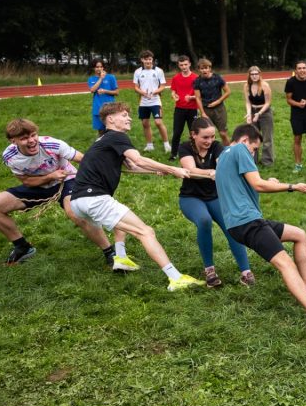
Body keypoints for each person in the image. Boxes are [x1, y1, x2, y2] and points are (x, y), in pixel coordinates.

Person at [216, 123, 306, 330]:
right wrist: (292, 187)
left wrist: (268, 180)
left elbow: (245, 184)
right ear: (244, 141)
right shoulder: (240, 149)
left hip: (240, 222)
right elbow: (258, 185)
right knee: (285, 263)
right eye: (254, 148)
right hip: (247, 221)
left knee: (299, 235)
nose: (253, 153)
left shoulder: (223, 155)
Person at [68, 102, 204, 291]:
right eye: (124, 115)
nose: (129, 118)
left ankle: (121, 257)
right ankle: (175, 278)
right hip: (95, 199)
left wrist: (157, 170)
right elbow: (138, 159)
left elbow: (133, 166)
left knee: (119, 217)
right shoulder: (117, 136)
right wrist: (172, 168)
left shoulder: (104, 139)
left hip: (78, 201)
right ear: (110, 119)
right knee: (145, 231)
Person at [0, 118, 124, 268]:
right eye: (24, 138)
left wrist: (108, 167)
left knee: (74, 212)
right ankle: (23, 247)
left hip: (68, 179)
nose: (31, 141)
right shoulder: (9, 156)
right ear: (13, 141)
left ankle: (109, 252)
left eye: (33, 135)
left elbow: (83, 159)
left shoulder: (52, 144)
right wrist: (50, 176)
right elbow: (27, 181)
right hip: (39, 185)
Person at [178, 117, 255, 287]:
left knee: (233, 226)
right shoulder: (185, 147)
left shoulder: (217, 147)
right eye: (205, 137)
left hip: (215, 197)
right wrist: (211, 172)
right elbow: (190, 170)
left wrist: (222, 170)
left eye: (212, 136)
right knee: (204, 221)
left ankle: (246, 272)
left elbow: (223, 163)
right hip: (191, 198)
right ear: (193, 135)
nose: (209, 141)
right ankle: (210, 271)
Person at [132, 50, 171, 152]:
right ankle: (149, 145)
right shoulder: (138, 72)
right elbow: (136, 87)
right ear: (142, 60)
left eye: (150, 59)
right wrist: (143, 93)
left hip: (155, 101)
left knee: (158, 122)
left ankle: (166, 145)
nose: (148, 61)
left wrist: (154, 92)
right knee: (145, 123)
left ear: (152, 59)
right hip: (143, 102)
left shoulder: (159, 71)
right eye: (146, 59)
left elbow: (163, 86)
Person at [285, 61, 306, 173]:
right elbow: (288, 99)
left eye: (304, 68)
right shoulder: (290, 82)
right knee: (297, 138)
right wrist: (298, 104)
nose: (302, 70)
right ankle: (298, 164)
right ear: (296, 70)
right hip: (296, 114)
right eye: (299, 68)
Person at [193, 58, 231, 145]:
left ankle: (229, 151)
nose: (204, 70)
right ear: (199, 70)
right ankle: (211, 153)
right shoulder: (197, 81)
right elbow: (198, 98)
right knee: (208, 134)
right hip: (206, 110)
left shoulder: (218, 78)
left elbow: (228, 92)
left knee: (223, 133)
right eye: (202, 68)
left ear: (210, 68)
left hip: (219, 109)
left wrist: (218, 101)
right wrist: (202, 113)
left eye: (206, 68)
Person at [169, 54, 199, 159]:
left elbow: (200, 95)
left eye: (186, 64)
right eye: (181, 65)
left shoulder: (196, 78)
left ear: (189, 64)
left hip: (192, 109)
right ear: (179, 66)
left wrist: (192, 97)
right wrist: (174, 96)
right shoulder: (176, 78)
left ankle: (196, 152)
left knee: (194, 132)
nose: (184, 67)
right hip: (179, 108)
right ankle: (173, 154)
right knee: (177, 132)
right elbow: (173, 91)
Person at [243, 66, 274, 166]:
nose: (254, 76)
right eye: (252, 74)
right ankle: (253, 160)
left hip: (265, 112)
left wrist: (259, 113)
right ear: (249, 75)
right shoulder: (246, 86)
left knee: (267, 138)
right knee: (252, 137)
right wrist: (248, 113)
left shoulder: (265, 85)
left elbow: (268, 103)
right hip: (253, 110)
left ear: (260, 74)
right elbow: (248, 102)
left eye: (256, 74)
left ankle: (267, 161)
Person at [87, 58, 119, 138]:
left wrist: (105, 91)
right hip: (98, 108)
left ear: (103, 67)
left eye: (101, 67)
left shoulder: (111, 77)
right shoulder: (91, 79)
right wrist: (101, 78)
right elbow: (92, 90)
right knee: (101, 131)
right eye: (97, 67)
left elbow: (116, 92)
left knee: (112, 129)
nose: (99, 69)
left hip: (110, 107)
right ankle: (102, 147)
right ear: (94, 68)